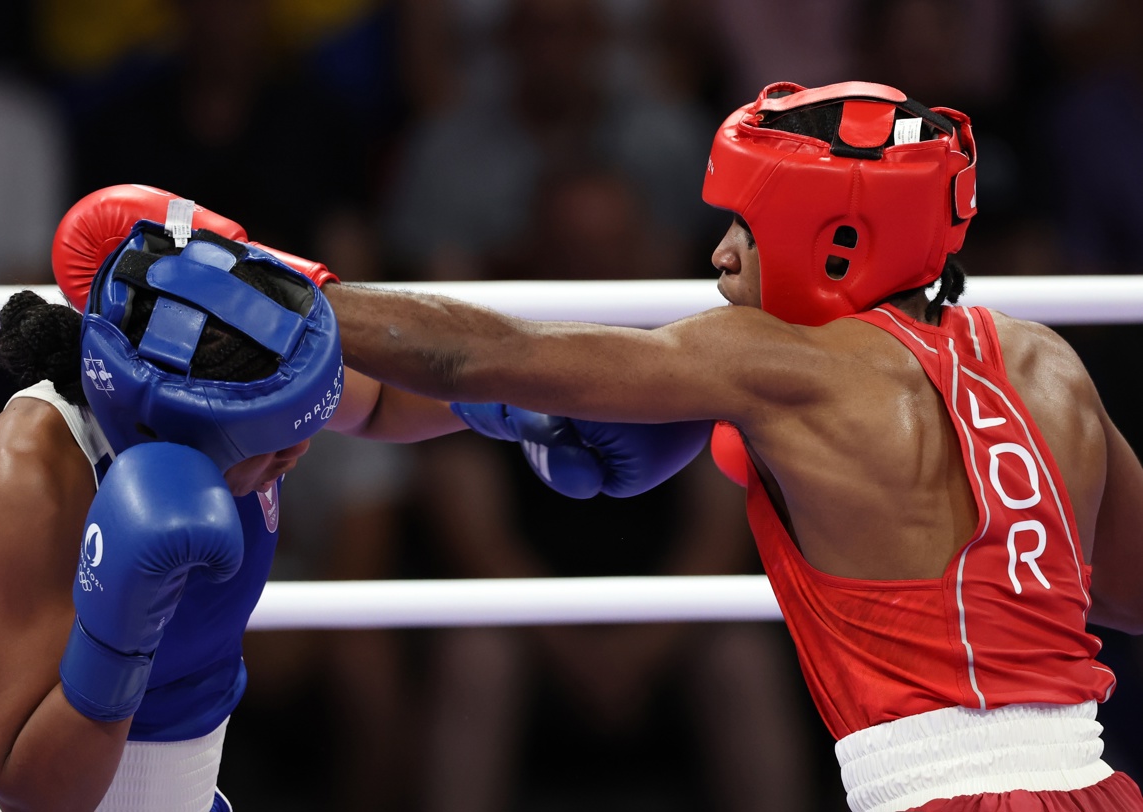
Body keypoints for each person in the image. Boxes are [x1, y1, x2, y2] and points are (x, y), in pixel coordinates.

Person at [317, 80, 1143, 811]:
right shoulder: (1050, 364)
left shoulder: (770, 361)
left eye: (745, 227)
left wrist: (273, 286)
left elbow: (485, 357)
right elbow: (1125, 592)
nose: (719, 256)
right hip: (1097, 786)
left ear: (837, 240)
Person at [0, 184, 702, 811]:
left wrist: (530, 402)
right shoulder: (28, 473)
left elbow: (389, 400)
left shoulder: (246, 372)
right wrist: (123, 621)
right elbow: (32, 791)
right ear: (179, 425)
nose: (299, 452)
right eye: (271, 444)